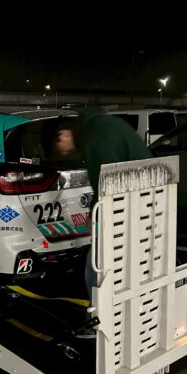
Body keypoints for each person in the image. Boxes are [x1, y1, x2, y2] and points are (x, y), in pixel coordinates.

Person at [55, 106, 152, 302]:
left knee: (96, 263)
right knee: (137, 260)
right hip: (148, 201)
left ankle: (99, 314)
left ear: (64, 134)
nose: (61, 151)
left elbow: (104, 180)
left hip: (131, 205)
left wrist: (96, 214)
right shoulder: (105, 123)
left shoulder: (93, 135)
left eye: (58, 145)